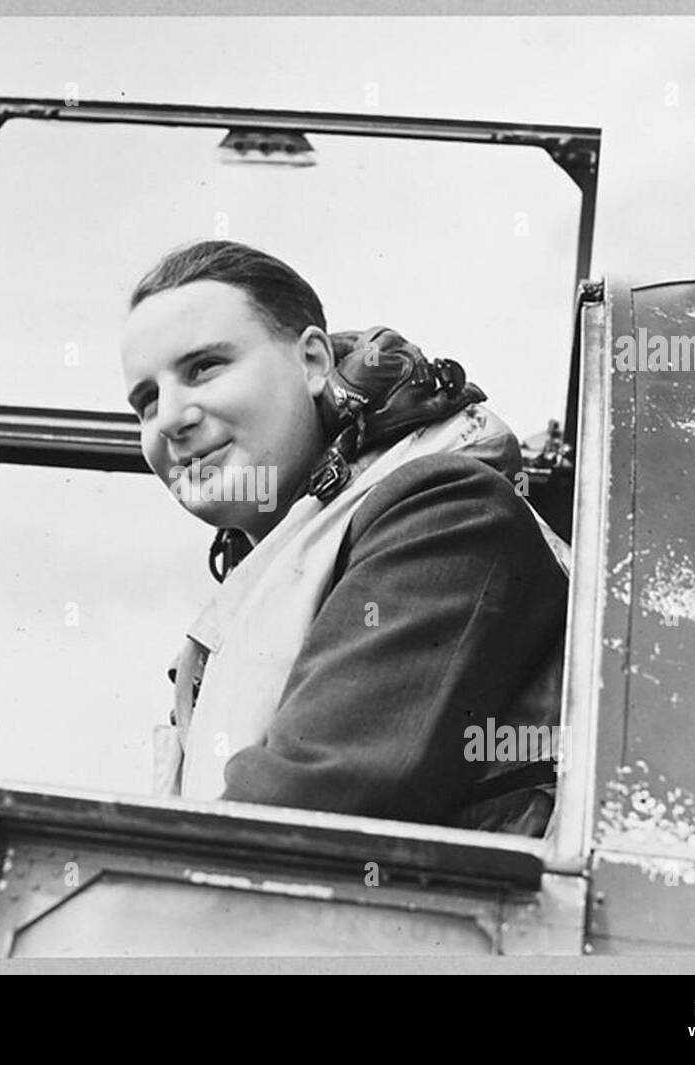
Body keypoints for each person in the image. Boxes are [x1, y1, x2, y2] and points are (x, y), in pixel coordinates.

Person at [119, 240, 568, 834]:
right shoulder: (273, 571)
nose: (171, 419)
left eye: (204, 367)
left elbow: (311, 801)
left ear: (312, 362)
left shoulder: (444, 510)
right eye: (146, 402)